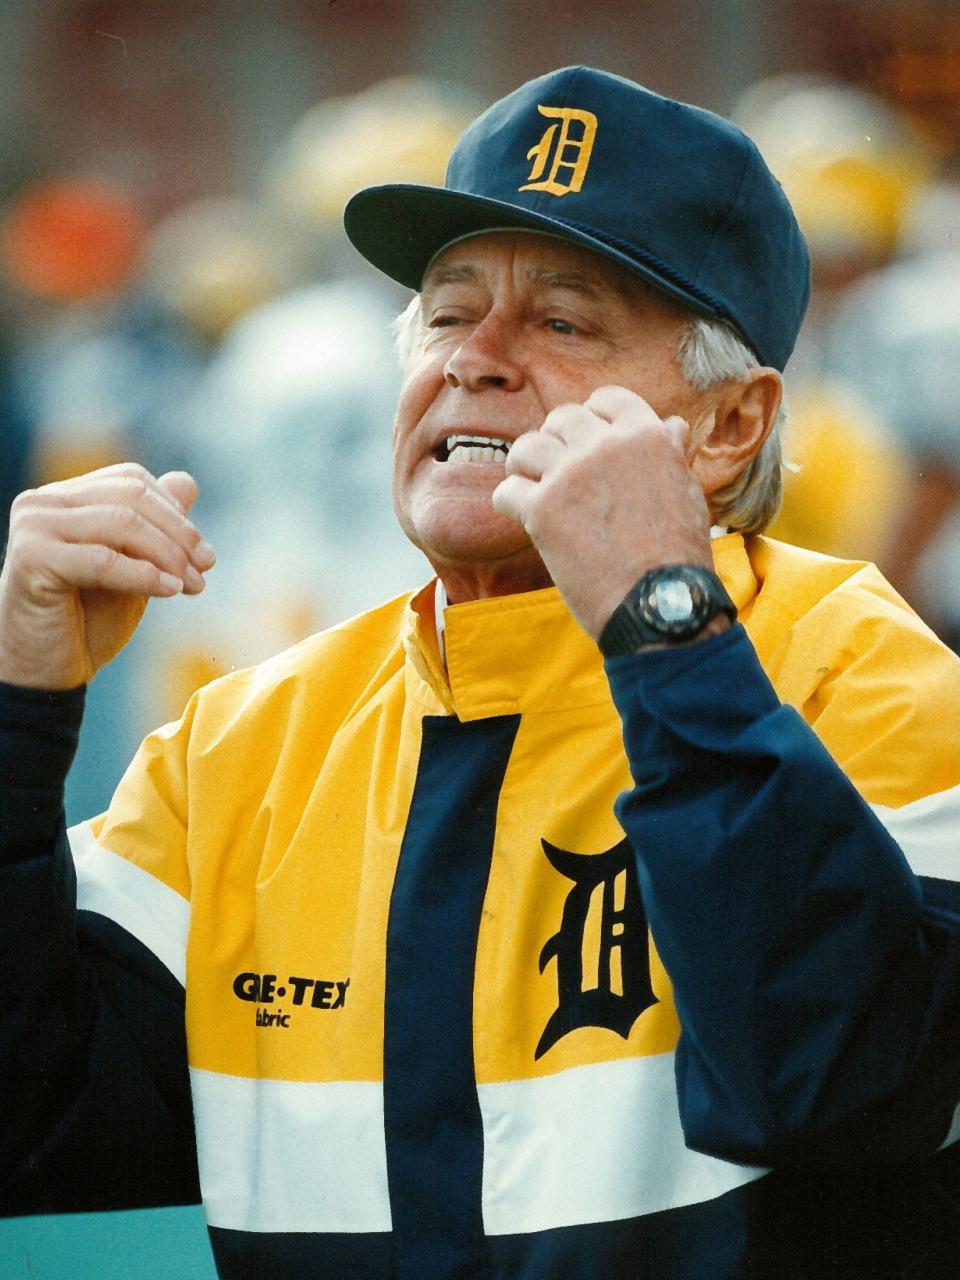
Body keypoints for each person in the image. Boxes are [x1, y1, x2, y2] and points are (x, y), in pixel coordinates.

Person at [0, 65, 957, 1280]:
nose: (477, 359)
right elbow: (29, 1122)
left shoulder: (858, 662)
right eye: (447, 314)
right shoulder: (239, 739)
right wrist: (17, 713)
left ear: (727, 427)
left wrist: (663, 621)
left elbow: (836, 1087)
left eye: (564, 322)